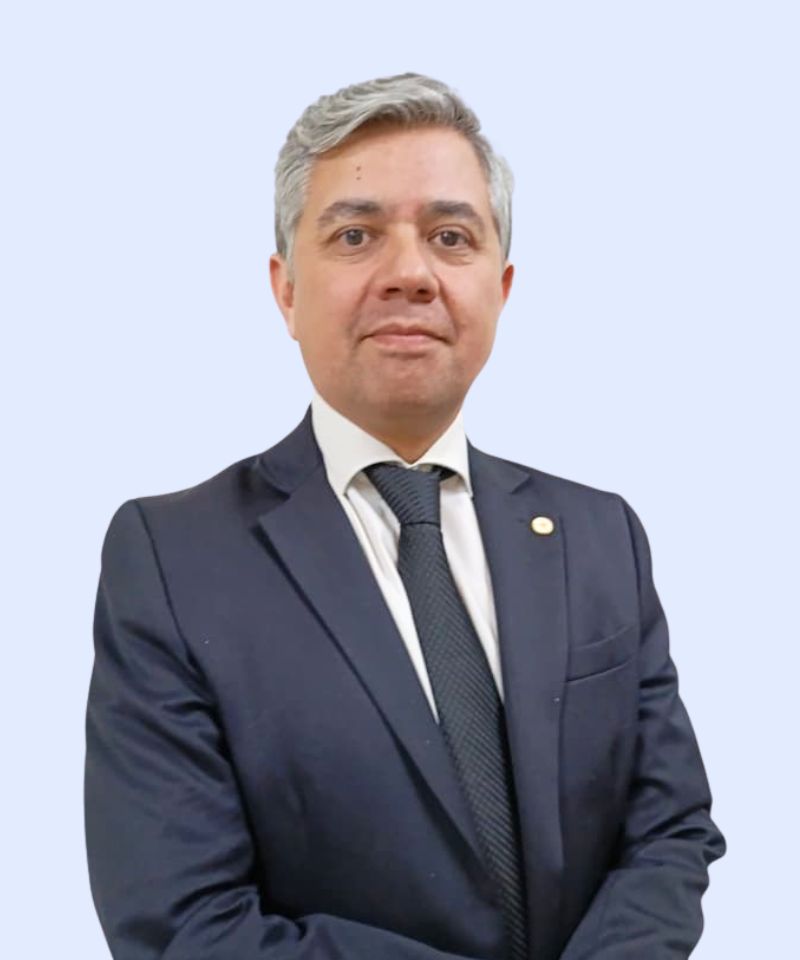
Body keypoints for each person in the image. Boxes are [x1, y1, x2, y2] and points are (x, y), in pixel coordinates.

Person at [84, 73, 725, 960]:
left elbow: (668, 831)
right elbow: (180, 921)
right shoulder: (175, 561)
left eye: (450, 237)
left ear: (501, 287)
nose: (410, 274)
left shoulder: (598, 537)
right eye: (356, 235)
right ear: (285, 289)